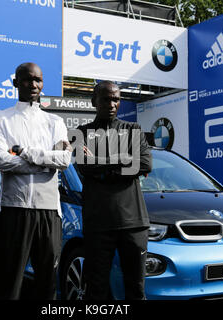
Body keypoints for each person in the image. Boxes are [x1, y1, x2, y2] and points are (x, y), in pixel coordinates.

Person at [0, 62, 72, 300]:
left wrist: (25, 151)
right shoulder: (0, 118)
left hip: (49, 212)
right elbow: (2, 161)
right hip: (14, 210)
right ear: (15, 82)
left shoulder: (55, 121)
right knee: (10, 285)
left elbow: (64, 160)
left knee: (47, 286)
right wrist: (47, 162)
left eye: (38, 80)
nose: (33, 84)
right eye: (27, 79)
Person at [76, 81, 152, 300]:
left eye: (116, 99)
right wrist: (125, 161)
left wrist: (102, 168)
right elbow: (85, 167)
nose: (112, 104)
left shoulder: (133, 129)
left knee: (135, 289)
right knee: (96, 289)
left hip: (134, 223)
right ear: (94, 102)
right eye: (106, 98)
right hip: (98, 224)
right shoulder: (82, 133)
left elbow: (145, 165)